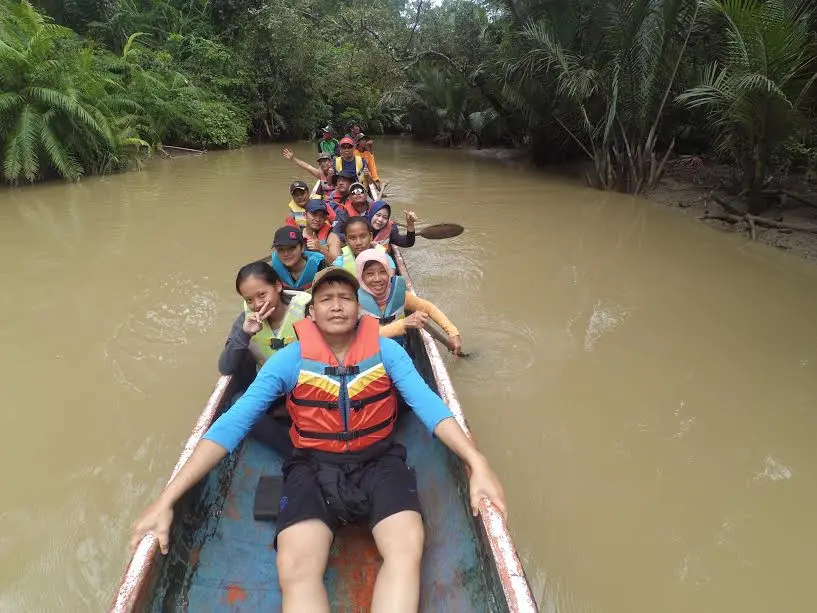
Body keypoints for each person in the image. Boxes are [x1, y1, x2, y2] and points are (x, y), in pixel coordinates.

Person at [129, 267, 507, 613]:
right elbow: (231, 425)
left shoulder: (387, 352)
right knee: (294, 565)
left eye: (346, 298)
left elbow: (430, 407)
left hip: (379, 462)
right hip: (311, 466)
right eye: (326, 299)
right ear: (310, 314)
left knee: (407, 546)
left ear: (360, 311)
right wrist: (166, 500)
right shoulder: (288, 361)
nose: (337, 305)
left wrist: (478, 463)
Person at [218, 261, 312, 456]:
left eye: (262, 295)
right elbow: (226, 367)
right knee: (239, 403)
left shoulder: (307, 310)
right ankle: (293, 454)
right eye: (250, 300)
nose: (257, 304)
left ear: (278, 286)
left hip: (311, 388)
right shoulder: (245, 321)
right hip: (274, 392)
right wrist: (244, 334)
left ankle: (294, 415)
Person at [356, 250, 463, 354]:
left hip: (398, 352)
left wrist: (452, 332)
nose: (377, 279)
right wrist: (403, 324)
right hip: (368, 357)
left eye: (383, 272)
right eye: (370, 274)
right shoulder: (354, 302)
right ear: (361, 277)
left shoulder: (400, 295)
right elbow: (362, 338)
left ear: (389, 273)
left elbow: (428, 308)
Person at [271, 226, 326, 290]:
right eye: (280, 249)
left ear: (302, 247)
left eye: (291, 248)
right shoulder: (273, 272)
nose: (286, 254)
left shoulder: (320, 267)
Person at [302, 198, 342, 263]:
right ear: (304, 215)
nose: (318, 219)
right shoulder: (297, 235)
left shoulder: (332, 237)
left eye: (322, 216)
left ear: (325, 218)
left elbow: (337, 265)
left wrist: (320, 249)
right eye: (314, 214)